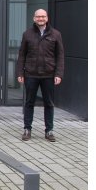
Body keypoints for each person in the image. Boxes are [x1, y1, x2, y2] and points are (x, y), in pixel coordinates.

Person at [16, 9, 64, 142]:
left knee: (49, 103)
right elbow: (22, 55)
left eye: (43, 16)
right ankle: (27, 129)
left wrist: (58, 74)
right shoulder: (27, 34)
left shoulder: (56, 34)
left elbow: (60, 56)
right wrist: (20, 72)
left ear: (47, 18)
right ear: (34, 18)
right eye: (38, 16)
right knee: (29, 103)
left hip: (49, 74)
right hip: (31, 74)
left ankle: (49, 131)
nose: (41, 18)